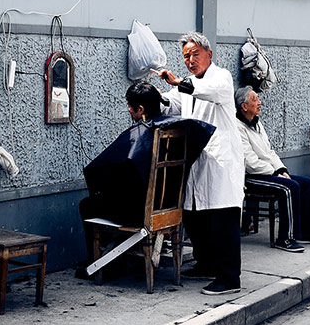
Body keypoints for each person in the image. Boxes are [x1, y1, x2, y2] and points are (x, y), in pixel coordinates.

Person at [157, 31, 245, 296]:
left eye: (195, 54)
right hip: (198, 161)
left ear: (209, 54)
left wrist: (180, 82)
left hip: (221, 163)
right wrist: (153, 95)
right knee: (195, 217)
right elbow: (170, 102)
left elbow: (207, 92)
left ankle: (229, 278)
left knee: (222, 220)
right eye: (186, 56)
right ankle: (206, 264)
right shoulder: (187, 85)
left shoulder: (221, 78)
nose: (191, 60)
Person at [80, 81, 214, 244]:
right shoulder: (176, 129)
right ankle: (127, 254)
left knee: (87, 205)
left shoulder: (141, 133)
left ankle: (106, 263)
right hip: (170, 205)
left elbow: (104, 170)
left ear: (141, 109)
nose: (129, 110)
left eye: (130, 106)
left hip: (142, 212)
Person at [234, 86, 310, 252]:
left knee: (308, 184)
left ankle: (304, 232)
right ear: (244, 106)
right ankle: (285, 238)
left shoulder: (257, 124)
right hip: (251, 177)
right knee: (290, 187)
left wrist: (280, 170)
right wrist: (274, 172)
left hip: (269, 172)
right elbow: (250, 162)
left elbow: (270, 151)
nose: (259, 102)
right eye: (255, 100)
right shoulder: (237, 127)